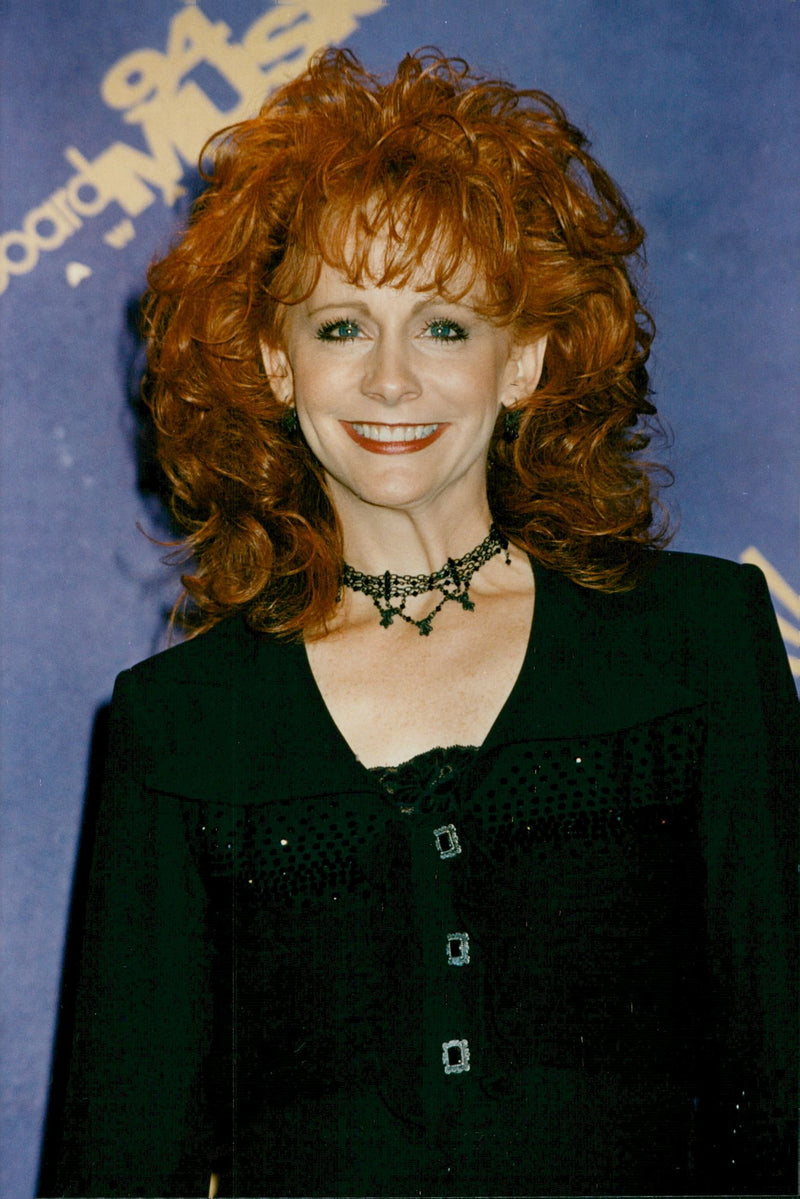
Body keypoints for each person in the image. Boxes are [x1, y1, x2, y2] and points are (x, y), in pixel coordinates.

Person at [40, 49, 797, 1197]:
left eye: (444, 326)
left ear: (526, 359)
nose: (391, 380)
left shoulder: (694, 643)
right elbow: (118, 1162)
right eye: (340, 325)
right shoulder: (180, 724)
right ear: (272, 363)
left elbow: (782, 1089)